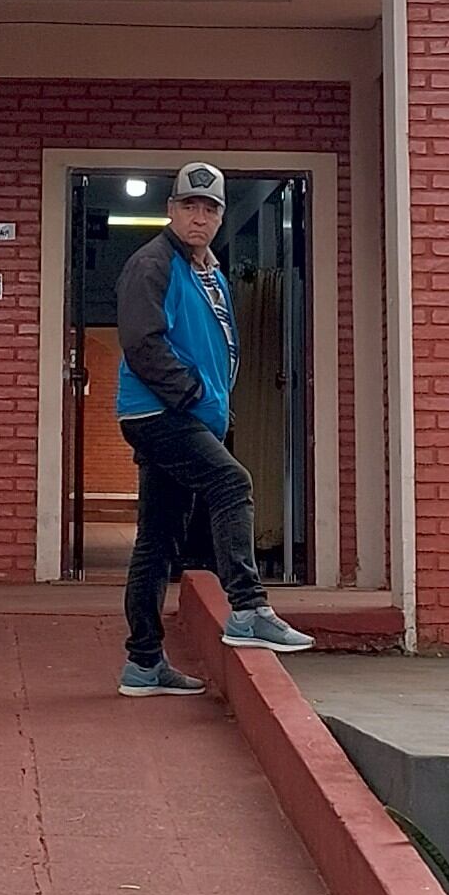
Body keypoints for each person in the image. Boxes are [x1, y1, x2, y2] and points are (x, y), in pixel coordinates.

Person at [115, 162, 310, 694]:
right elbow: (141, 342)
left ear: (221, 217)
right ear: (170, 210)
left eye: (209, 209)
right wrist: (193, 394)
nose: (198, 218)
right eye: (189, 206)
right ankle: (247, 609)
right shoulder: (152, 263)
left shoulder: (213, 274)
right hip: (160, 412)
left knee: (158, 540)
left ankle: (143, 664)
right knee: (232, 482)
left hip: (190, 414)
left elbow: (216, 346)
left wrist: (217, 406)